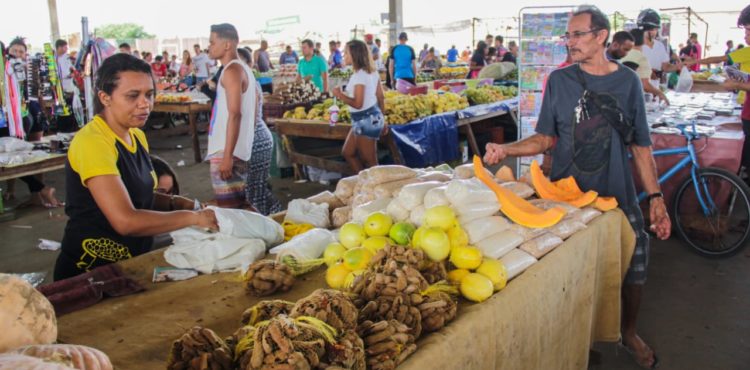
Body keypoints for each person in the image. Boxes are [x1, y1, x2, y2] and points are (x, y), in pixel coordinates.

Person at [484, 6, 669, 369]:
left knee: (635, 267)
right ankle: (581, 340)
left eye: (578, 35)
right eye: (567, 35)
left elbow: (641, 146)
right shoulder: (560, 81)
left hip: (618, 194)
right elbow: (545, 139)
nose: (570, 42)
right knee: (574, 274)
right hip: (567, 199)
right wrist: (507, 149)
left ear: (601, 36)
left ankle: (628, 332)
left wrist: (657, 197)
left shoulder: (628, 82)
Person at [53, 53, 217, 280]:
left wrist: (180, 203)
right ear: (105, 97)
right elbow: (126, 221)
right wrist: (194, 218)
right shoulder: (93, 142)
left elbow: (139, 194)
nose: (145, 104)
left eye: (149, 94)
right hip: (88, 272)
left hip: (129, 263)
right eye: (133, 96)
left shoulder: (136, 136)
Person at [686, 6, 750, 178]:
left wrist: (739, 85)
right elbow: (721, 59)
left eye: (749, 31)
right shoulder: (747, 51)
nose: (746, 36)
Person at [3, 38, 62, 208]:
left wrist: (45, 113)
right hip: (17, 117)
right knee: (15, 155)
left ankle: (36, 194)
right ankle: (18, 190)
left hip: (30, 115)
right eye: (15, 51)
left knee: (33, 154)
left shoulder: (30, 69)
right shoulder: (6, 69)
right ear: (8, 51)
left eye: (21, 51)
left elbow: (40, 93)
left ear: (25, 54)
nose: (18, 54)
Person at [206, 23, 257, 210]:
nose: (209, 47)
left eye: (212, 42)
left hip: (227, 150)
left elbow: (235, 114)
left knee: (231, 211)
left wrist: (227, 156)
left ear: (227, 45)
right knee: (239, 204)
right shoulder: (242, 69)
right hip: (233, 148)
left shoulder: (232, 71)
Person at [237, 48, 283, 215]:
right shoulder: (240, 85)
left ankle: (272, 220)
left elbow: (250, 119)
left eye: (241, 63)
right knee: (254, 188)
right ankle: (276, 215)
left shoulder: (250, 85)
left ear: (250, 64)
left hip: (255, 139)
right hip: (251, 139)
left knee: (254, 190)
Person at [332, 40, 386, 173]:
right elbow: (381, 97)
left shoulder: (360, 75)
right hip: (371, 116)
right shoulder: (371, 72)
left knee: (371, 161)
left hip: (365, 119)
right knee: (348, 152)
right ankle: (364, 182)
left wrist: (340, 95)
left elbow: (358, 103)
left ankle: (378, 188)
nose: (344, 55)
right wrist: (383, 119)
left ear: (355, 55)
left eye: (346, 53)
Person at [622, 29, 670, 105]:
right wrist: (660, 93)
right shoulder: (642, 58)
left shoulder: (621, 54)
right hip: (632, 99)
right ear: (643, 41)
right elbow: (645, 85)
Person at [638, 9, 683, 88]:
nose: (653, 32)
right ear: (642, 29)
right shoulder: (635, 46)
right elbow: (628, 69)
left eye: (655, 29)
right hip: (638, 88)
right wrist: (647, 72)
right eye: (651, 29)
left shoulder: (659, 46)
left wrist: (678, 66)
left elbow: (665, 67)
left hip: (655, 88)